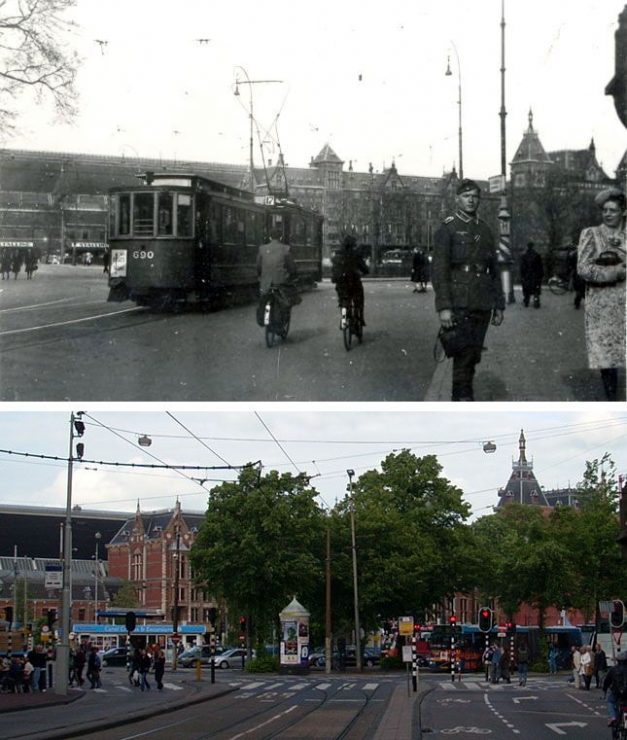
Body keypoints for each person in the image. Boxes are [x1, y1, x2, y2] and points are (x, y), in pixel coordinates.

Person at [432, 178, 505, 401]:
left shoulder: (484, 229)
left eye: (475, 197)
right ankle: (463, 401)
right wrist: (444, 307)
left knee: (473, 357)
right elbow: (439, 270)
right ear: (457, 199)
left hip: (482, 303)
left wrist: (499, 305)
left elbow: (494, 270)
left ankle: (463, 398)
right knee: (463, 358)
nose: (471, 200)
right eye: (466, 196)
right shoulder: (448, 228)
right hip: (459, 302)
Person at [576, 187, 626, 401]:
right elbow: (583, 268)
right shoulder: (591, 234)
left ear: (622, 211)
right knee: (607, 360)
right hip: (602, 308)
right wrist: (613, 272)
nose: (607, 214)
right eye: (604, 210)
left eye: (612, 210)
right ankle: (612, 399)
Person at [256, 226, 299, 330]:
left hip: (265, 283)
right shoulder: (285, 249)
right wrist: (293, 275)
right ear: (280, 237)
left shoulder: (262, 249)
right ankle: (283, 320)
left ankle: (265, 319)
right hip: (280, 281)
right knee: (287, 298)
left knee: (264, 297)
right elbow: (291, 266)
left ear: (270, 237)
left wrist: (261, 276)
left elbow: (258, 266)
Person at [332, 234, 369, 325]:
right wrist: (365, 272)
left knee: (343, 301)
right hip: (354, 283)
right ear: (353, 245)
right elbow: (363, 267)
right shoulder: (356, 254)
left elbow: (334, 269)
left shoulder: (338, 255)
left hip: (341, 284)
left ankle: (343, 320)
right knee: (359, 300)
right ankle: (359, 318)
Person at [603, 650, 627, 728]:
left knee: (610, 701)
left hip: (617, 692)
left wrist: (605, 689)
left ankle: (613, 717)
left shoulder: (613, 669)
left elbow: (607, 681)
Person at [520, 241, 544, 308]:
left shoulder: (524, 256)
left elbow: (522, 267)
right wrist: (541, 275)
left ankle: (526, 301)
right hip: (535, 275)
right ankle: (536, 302)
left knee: (527, 290)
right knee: (536, 289)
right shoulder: (537, 255)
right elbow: (540, 267)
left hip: (527, 276)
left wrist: (522, 275)